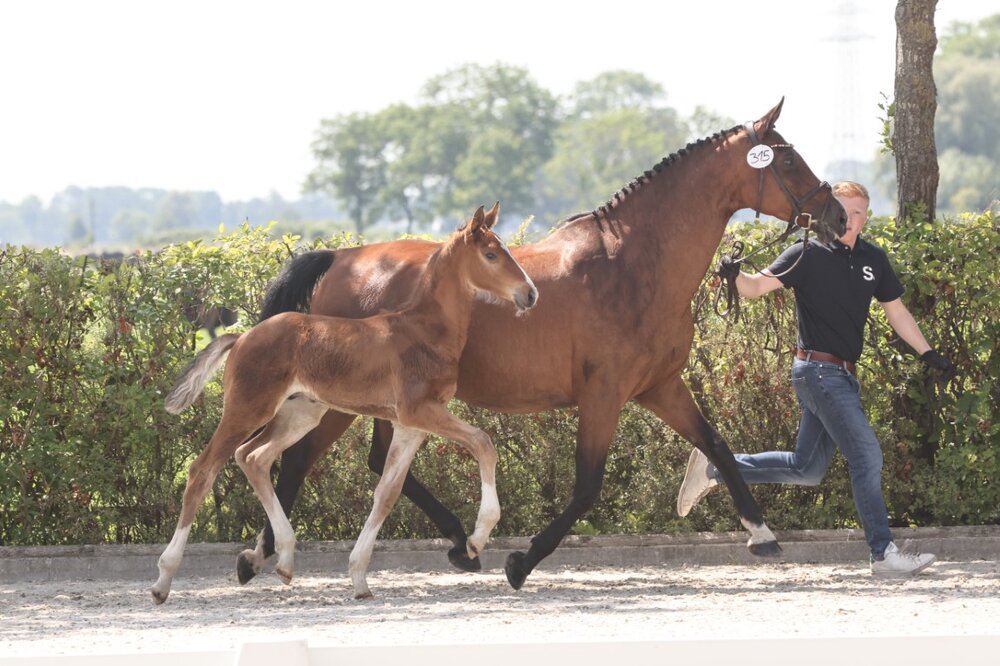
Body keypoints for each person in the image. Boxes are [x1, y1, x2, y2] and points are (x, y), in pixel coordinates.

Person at [677, 181, 954, 576]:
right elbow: (756, 287)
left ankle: (716, 468)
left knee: (806, 468)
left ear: (866, 216)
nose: (850, 219)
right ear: (829, 212)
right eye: (843, 210)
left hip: (842, 376)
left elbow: (897, 311)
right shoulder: (806, 253)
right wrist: (732, 276)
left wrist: (928, 352)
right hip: (818, 371)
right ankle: (883, 554)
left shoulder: (874, 257)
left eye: (858, 212)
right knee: (867, 455)